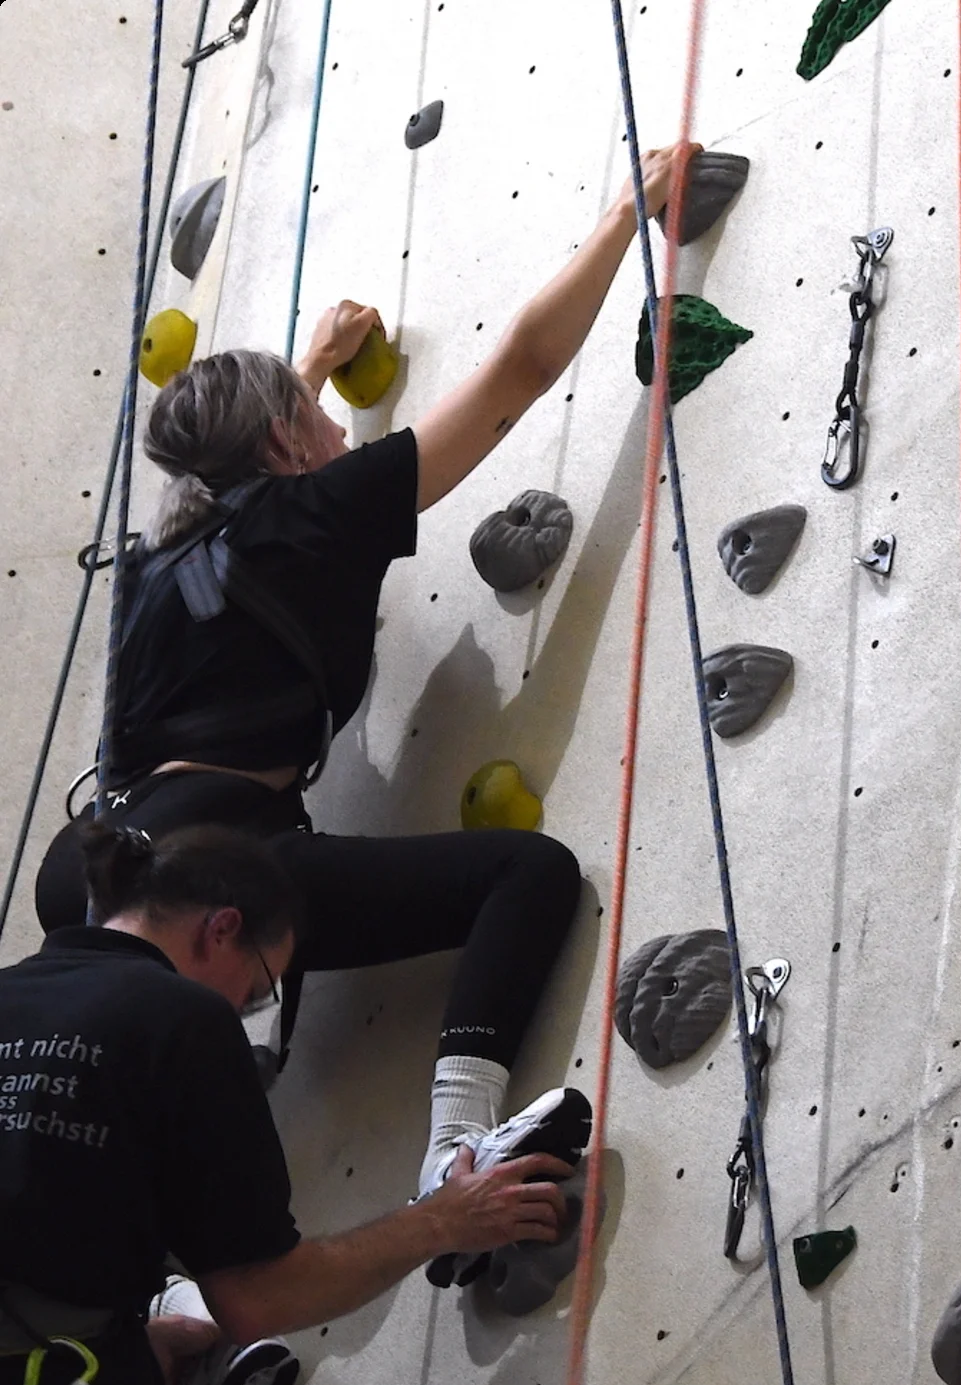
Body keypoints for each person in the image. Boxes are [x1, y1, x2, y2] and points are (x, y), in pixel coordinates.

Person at [34, 142, 697, 1253]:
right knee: (526, 874)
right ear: (290, 444)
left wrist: (306, 364)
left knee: (164, 1073)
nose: (345, 434)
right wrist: (621, 221)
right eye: (319, 422)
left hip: (93, 864)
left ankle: (167, 1281)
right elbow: (520, 372)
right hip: (218, 854)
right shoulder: (313, 514)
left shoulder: (160, 560)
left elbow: (240, 481)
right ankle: (455, 1149)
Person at [0, 824, 576, 1385]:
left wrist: (133, 1340)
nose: (244, 1012)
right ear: (221, 930)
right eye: (255, 991)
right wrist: (447, 1218)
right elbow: (259, 1298)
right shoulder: (180, 1016)